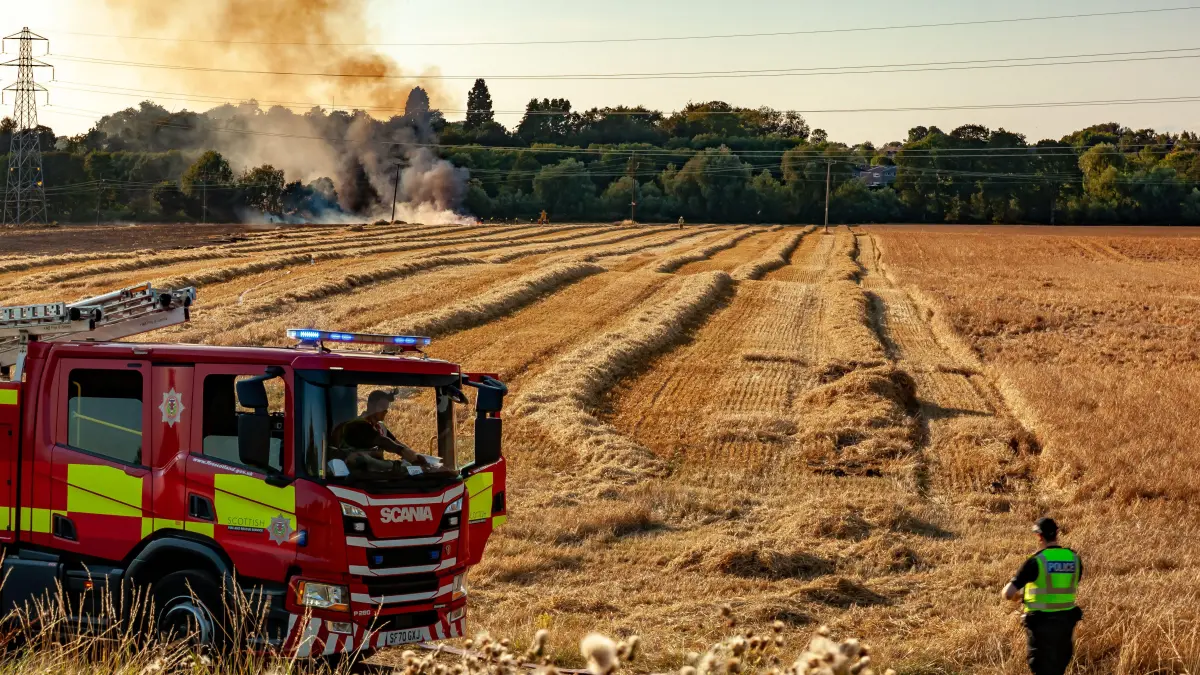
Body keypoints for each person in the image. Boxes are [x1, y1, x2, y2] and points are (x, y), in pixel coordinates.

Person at [1001, 517, 1083, 675]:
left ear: (1039, 536)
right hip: (1066, 625)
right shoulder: (1074, 559)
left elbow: (1008, 593)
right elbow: (1067, 585)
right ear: (1057, 534)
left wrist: (1019, 596)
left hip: (1041, 627)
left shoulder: (1037, 561)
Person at [331, 390, 449, 475]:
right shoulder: (356, 425)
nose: (385, 411)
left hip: (377, 474)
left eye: (386, 408)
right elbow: (385, 442)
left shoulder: (380, 427)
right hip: (357, 475)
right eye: (382, 407)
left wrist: (416, 455)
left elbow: (397, 443)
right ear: (370, 405)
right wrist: (409, 457)